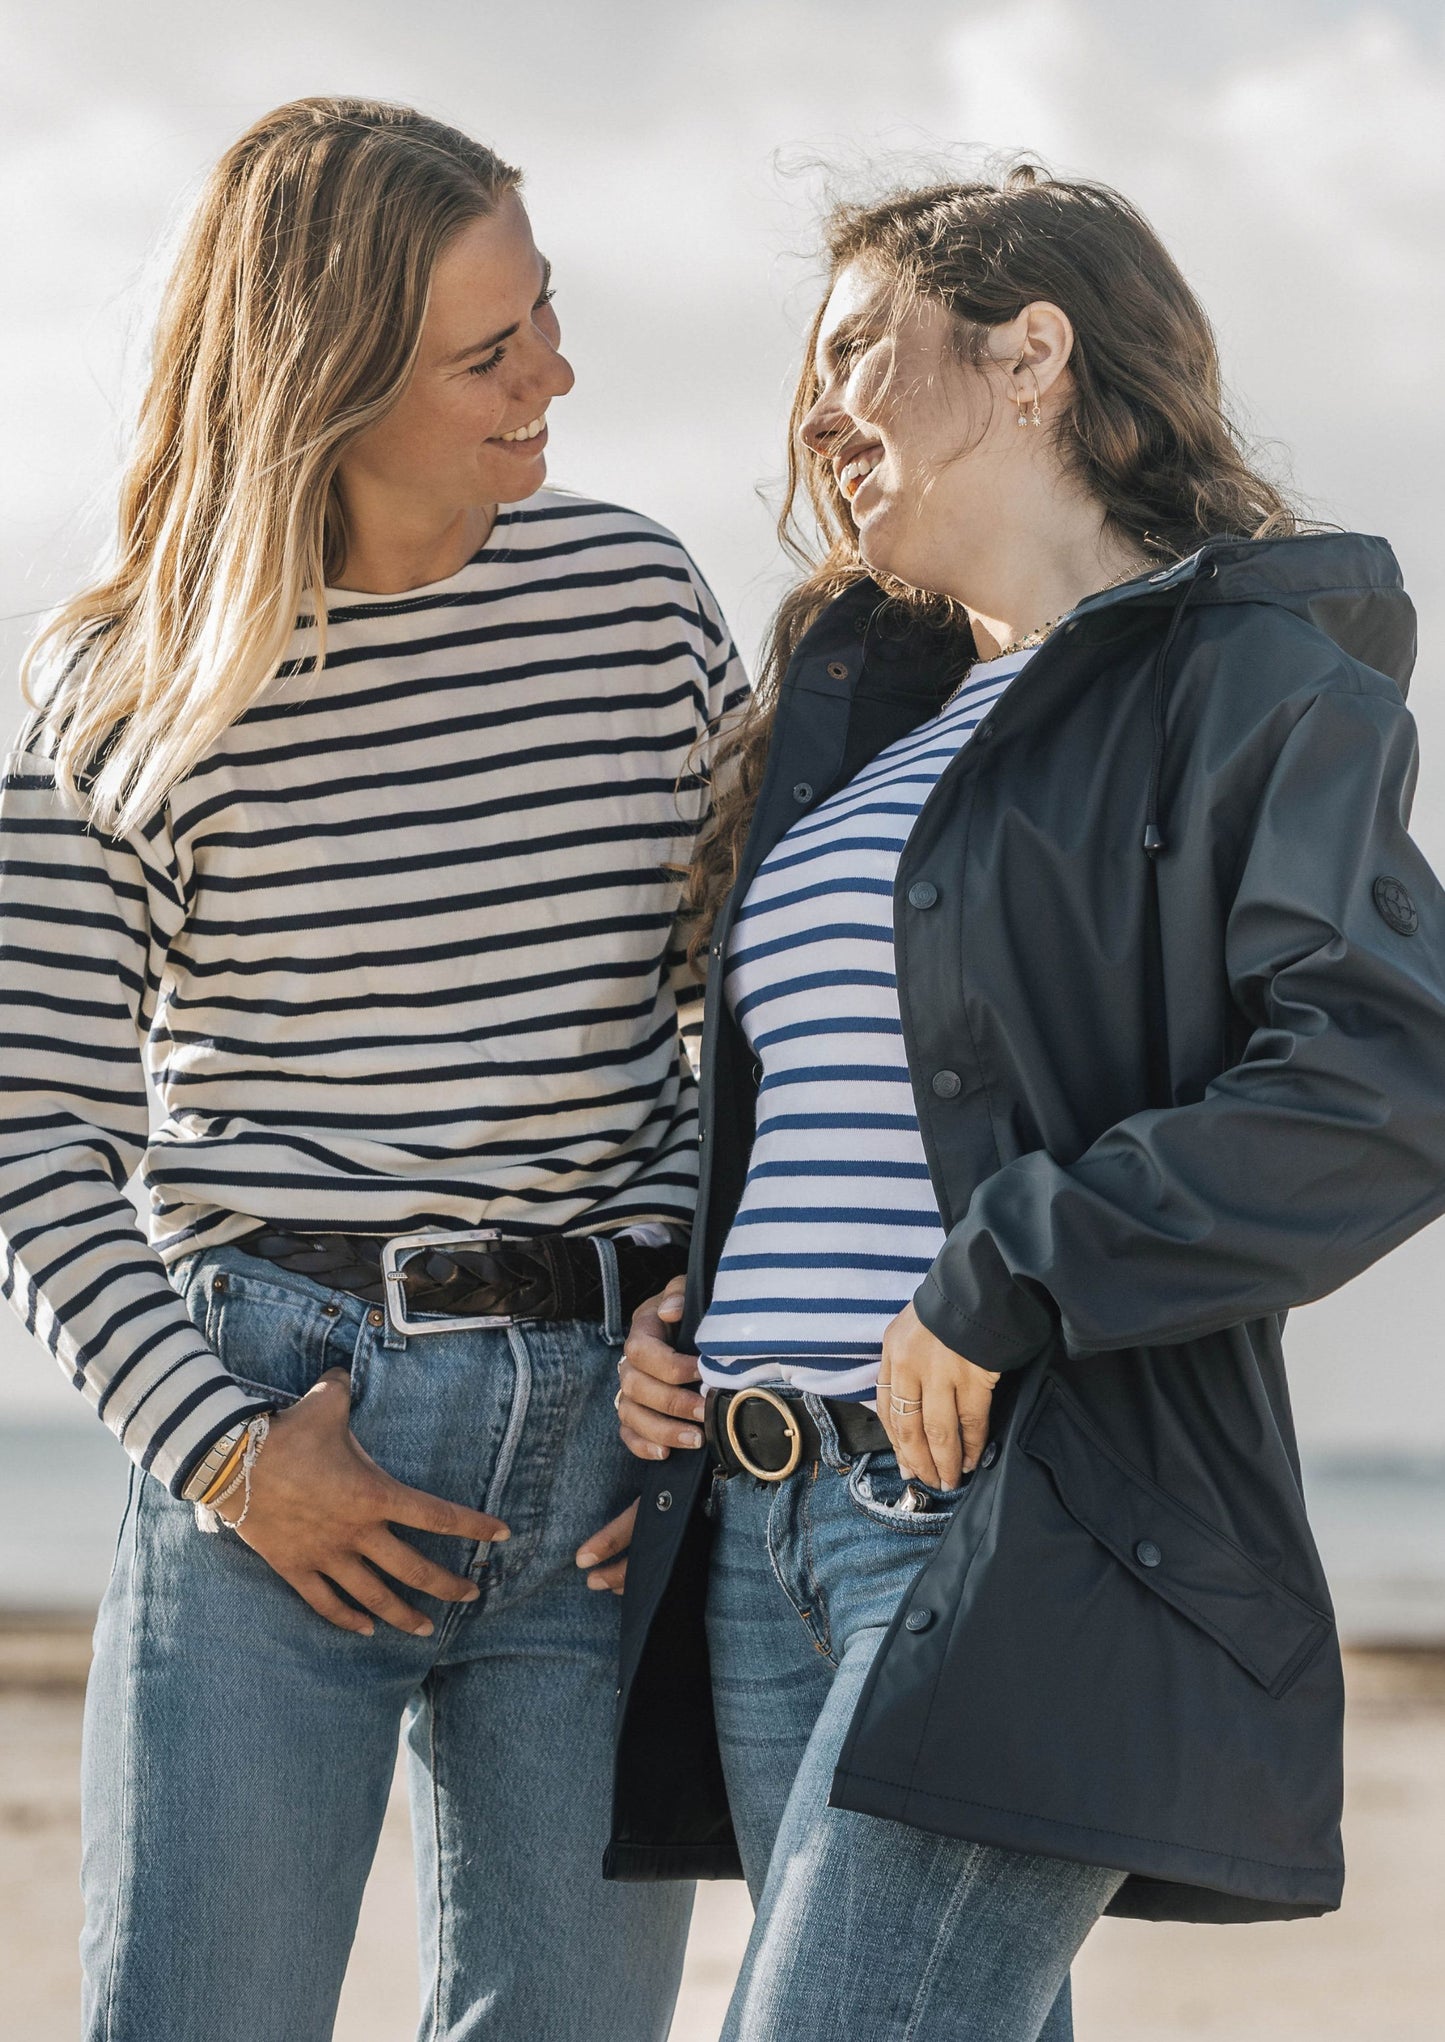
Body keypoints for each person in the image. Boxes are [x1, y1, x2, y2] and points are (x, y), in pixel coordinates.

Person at [578, 165, 1445, 2040]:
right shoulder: (866, 716)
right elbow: (826, 1113)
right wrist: (691, 1301)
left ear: (1031, 350)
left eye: (858, 349)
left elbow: (1383, 1073)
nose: (817, 409)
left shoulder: (1254, 681)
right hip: (756, 1523)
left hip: (1010, 1518)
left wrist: (1009, 1272)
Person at [0, 97, 746, 2042]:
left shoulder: (641, 606)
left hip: (606, 1459)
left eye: (548, 314)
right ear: (325, 380)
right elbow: (34, 1139)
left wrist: (703, 1310)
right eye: (489, 354)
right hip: (276, 1414)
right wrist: (232, 1458)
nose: (555, 377)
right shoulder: (123, 691)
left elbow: (743, 1025)